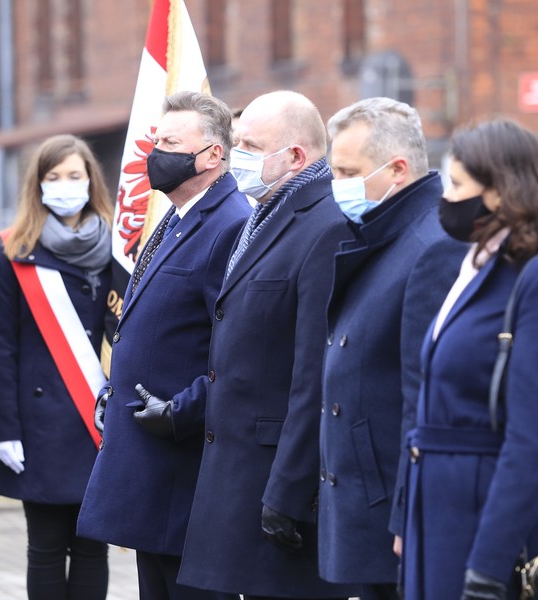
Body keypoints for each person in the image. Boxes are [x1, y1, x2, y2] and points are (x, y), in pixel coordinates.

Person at [394, 119, 538, 599]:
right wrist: (407, 515)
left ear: (501, 192)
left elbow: (532, 440)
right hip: (441, 514)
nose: (445, 198)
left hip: (489, 523)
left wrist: (488, 565)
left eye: (457, 185)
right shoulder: (475, 265)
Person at [176, 90, 359, 600]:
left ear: (295, 156)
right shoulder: (265, 212)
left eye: (250, 147)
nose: (236, 157)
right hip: (238, 475)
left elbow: (313, 375)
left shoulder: (325, 225)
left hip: (278, 480)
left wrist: (289, 490)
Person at [76, 91, 250, 600]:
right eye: (157, 141)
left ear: (212, 154)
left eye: (171, 143)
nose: (156, 154)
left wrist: (180, 411)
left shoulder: (229, 223)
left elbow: (235, 349)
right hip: (152, 462)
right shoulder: (179, 215)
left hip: (184, 464)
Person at [318, 98, 466, 599]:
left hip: (390, 504)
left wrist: (409, 511)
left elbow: (424, 399)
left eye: (347, 172)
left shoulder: (431, 246)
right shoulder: (385, 232)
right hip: (369, 496)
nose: (336, 184)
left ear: (397, 170)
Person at [0, 134, 113, 599]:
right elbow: (0, 346)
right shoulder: (15, 249)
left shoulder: (119, 248)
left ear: (91, 181)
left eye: (74, 175)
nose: (64, 185)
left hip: (98, 422)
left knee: (92, 547)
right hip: (38, 429)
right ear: (37, 185)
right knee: (44, 548)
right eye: (53, 177)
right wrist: (4, 430)